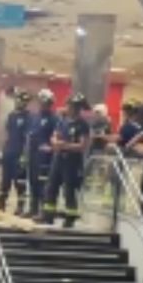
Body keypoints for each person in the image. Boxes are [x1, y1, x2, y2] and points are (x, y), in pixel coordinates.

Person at [38, 93, 91, 229]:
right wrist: (55, 142)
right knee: (51, 186)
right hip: (58, 159)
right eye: (69, 105)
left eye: (72, 106)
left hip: (72, 161)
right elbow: (54, 136)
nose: (69, 108)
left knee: (69, 190)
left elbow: (82, 145)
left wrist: (65, 145)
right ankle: (48, 215)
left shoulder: (83, 125)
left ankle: (70, 218)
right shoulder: (62, 121)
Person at [0, 90, 32, 214]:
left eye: (23, 101)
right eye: (19, 100)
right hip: (9, 151)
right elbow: (7, 134)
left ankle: (20, 206)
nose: (20, 103)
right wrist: (3, 150)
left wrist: (25, 155)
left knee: (19, 181)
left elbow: (28, 138)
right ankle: (1, 202)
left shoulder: (28, 117)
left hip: (19, 153)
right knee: (5, 179)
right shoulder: (11, 116)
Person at [24, 90, 60, 220]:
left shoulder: (54, 119)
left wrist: (50, 147)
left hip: (45, 158)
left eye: (45, 102)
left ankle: (42, 211)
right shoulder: (35, 117)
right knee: (32, 181)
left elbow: (57, 136)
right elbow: (30, 134)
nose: (42, 104)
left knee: (43, 184)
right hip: (33, 154)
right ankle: (33, 209)